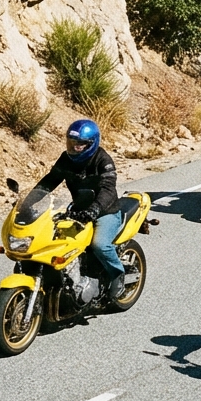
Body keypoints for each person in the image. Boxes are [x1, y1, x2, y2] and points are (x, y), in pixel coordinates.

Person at [31, 119, 125, 303]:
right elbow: (50, 181)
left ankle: (117, 274)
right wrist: (29, 201)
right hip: (79, 211)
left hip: (106, 211)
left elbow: (108, 188)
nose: (75, 148)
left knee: (99, 245)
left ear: (91, 144)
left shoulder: (102, 160)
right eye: (72, 143)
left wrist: (95, 209)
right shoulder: (66, 159)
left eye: (80, 145)